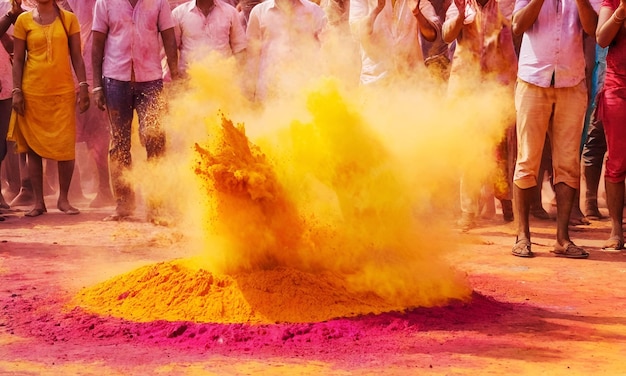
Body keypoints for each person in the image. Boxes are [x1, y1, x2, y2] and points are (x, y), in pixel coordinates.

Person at [510, 0, 597, 258]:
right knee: (527, 160)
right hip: (532, 79)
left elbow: (592, 29)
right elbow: (517, 26)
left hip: (572, 81)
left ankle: (562, 239)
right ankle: (522, 236)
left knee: (568, 163)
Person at [92, 0, 179, 221]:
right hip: (115, 79)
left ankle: (156, 205)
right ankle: (123, 204)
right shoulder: (105, 2)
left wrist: (175, 76)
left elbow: (169, 38)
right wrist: (97, 85)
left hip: (150, 80)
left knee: (156, 140)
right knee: (119, 142)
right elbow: (97, 43)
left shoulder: (159, 2)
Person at [8, 0, 89, 217]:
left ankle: (64, 199)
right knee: (33, 149)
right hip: (32, 92)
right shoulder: (23, 21)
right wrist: (17, 91)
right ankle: (38, 203)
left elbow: (77, 57)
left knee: (65, 147)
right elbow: (17, 61)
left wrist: (83, 85)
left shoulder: (69, 19)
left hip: (62, 92)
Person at [442, 0, 518, 230]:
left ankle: (505, 200)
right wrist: (460, 17)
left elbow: (517, 25)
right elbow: (447, 35)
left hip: (498, 84)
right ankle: (468, 212)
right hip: (468, 86)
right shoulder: (461, 4)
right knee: (470, 150)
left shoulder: (506, 4)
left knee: (501, 147)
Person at [63, 0, 114, 209]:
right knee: (70, 137)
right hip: (72, 77)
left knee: (98, 138)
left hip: (94, 78)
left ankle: (104, 190)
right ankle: (73, 190)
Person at [245, 0, 327, 101]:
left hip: (304, 89)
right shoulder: (259, 12)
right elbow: (253, 56)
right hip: (268, 91)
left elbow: (324, 51)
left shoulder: (315, 11)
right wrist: (250, 92)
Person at [348, 0, 441, 85]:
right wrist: (377, 9)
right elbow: (357, 32)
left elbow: (432, 34)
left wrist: (417, 13)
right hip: (374, 81)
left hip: (411, 83)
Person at [595, 0, 626, 250]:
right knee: (617, 162)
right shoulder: (613, 1)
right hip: (619, 90)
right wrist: (621, 12)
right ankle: (616, 230)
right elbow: (601, 39)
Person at [172, 0, 247, 78]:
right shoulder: (178, 13)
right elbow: (172, 50)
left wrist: (240, 77)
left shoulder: (230, 12)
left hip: (224, 79)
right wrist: (175, 77)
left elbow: (239, 48)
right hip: (188, 79)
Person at [581, 44, 607, 221]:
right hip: (604, 90)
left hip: (603, 87)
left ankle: (591, 201)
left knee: (594, 145)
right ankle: (590, 200)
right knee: (595, 144)